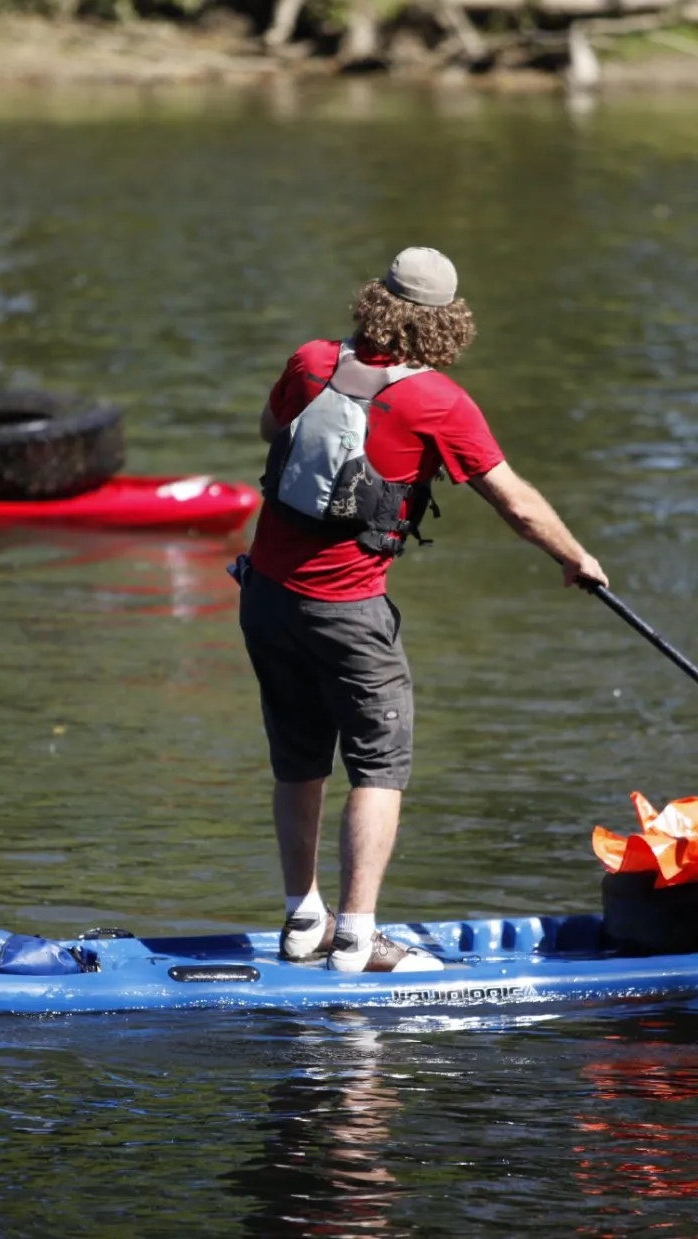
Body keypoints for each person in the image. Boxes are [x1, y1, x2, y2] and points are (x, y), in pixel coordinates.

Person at [237, 246, 608, 974]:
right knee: (379, 766)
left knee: (299, 758)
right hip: (347, 612)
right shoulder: (436, 400)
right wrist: (575, 557)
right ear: (444, 323)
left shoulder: (311, 360)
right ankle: (356, 937)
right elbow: (517, 503)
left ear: (376, 299)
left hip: (266, 599)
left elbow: (265, 429)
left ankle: (301, 919)